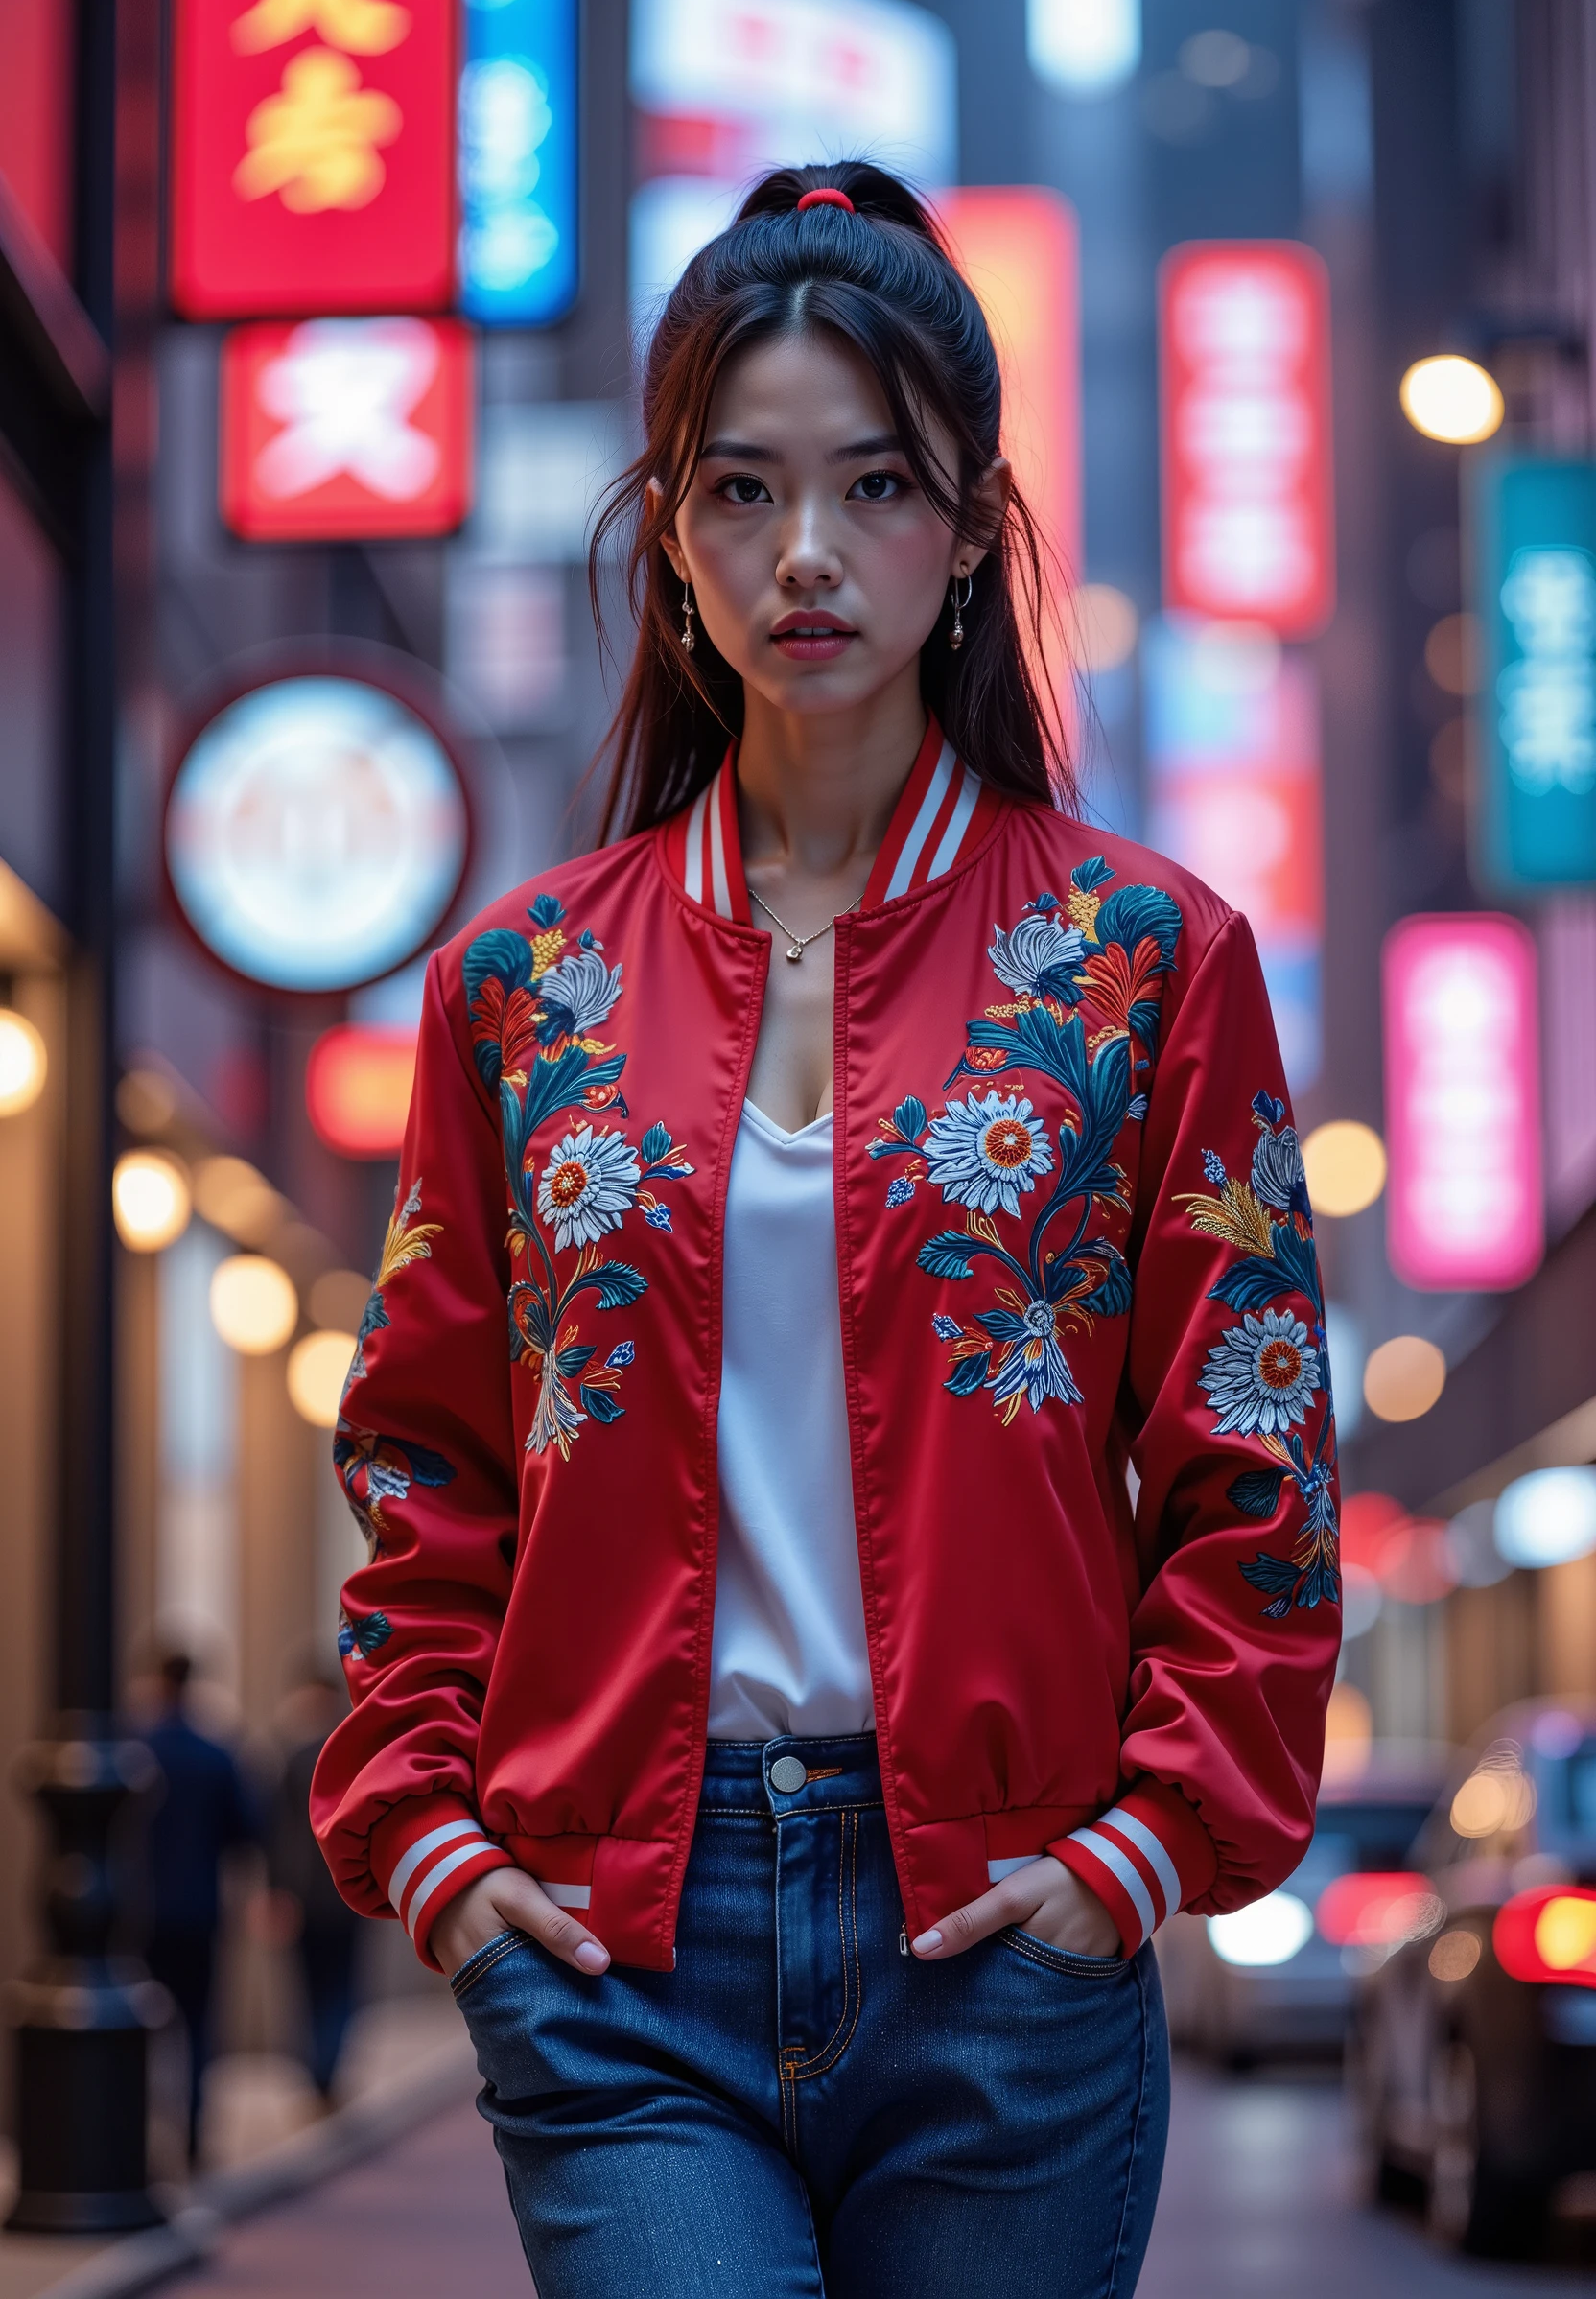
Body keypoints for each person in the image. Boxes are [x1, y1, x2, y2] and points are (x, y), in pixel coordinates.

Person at [313, 160, 1341, 2296]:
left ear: (969, 530)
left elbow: (1256, 1461)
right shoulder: (520, 991)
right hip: (617, 1939)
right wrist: (431, 1839)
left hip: (1004, 1938)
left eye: (874, 486)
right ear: (670, 532)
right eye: (741, 489)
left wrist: (1135, 1849)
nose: (805, 553)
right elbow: (423, 1462)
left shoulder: (1145, 959)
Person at [142, 1652, 259, 2161]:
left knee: (141, 2023)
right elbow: (247, 1830)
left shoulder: (132, 1749)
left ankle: (138, 2130)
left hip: (139, 1911)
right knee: (197, 2021)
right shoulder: (216, 1752)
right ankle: (190, 2134)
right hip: (200, 1910)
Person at [266, 1671, 364, 2101]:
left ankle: (317, 2067)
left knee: (308, 1986)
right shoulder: (353, 1756)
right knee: (340, 1984)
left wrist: (276, 1891)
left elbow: (275, 1834)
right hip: (348, 1891)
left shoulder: (292, 1757)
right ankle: (327, 2065)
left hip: (303, 1894)